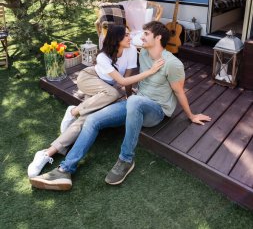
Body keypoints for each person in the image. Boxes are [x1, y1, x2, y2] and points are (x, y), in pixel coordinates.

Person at [29, 21, 211, 191]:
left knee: (133, 100)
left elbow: (179, 91)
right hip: (134, 103)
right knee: (92, 119)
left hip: (156, 111)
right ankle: (64, 170)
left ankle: (126, 159)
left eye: (146, 34)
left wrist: (191, 115)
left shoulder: (173, 64)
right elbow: (124, 70)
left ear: (158, 38)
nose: (141, 37)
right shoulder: (145, 53)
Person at [28, 24, 164, 178]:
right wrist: (150, 72)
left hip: (105, 88)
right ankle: (74, 111)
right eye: (126, 35)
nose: (130, 37)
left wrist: (128, 96)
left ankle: (46, 153)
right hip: (90, 79)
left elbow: (127, 78)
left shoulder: (131, 50)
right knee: (112, 93)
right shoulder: (102, 56)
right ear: (116, 38)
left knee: (87, 119)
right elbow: (122, 81)